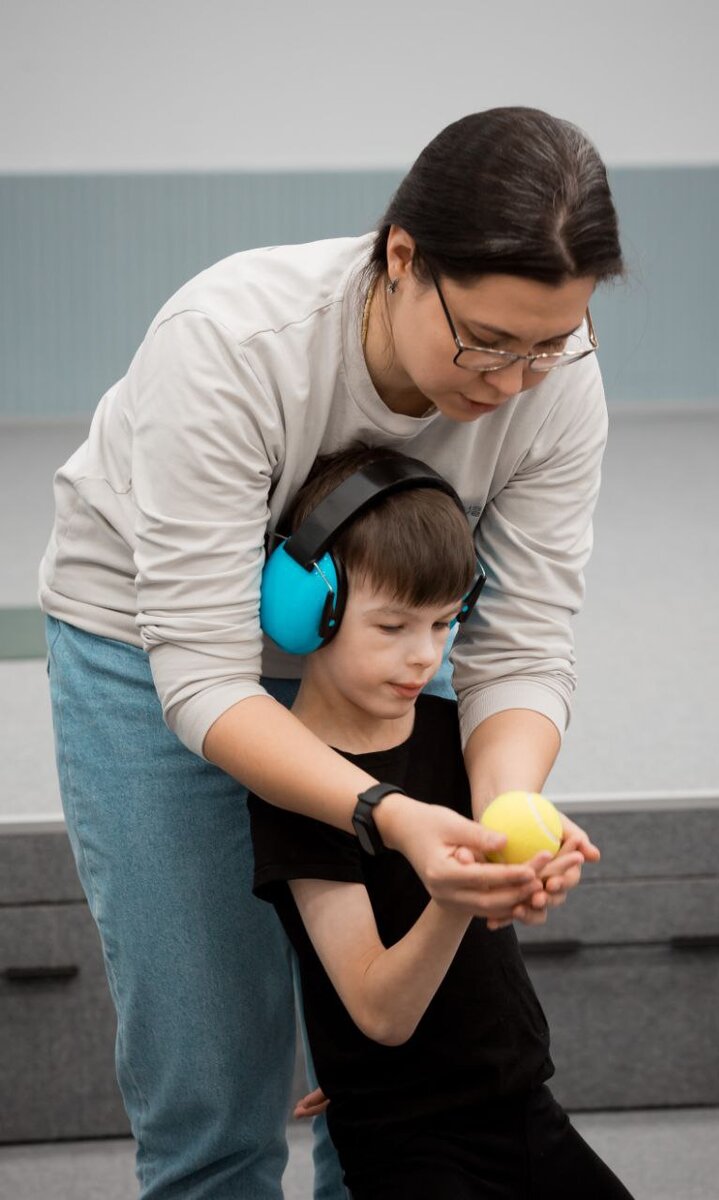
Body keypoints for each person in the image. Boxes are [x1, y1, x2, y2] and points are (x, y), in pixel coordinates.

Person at [39, 105, 623, 1199]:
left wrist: (503, 822)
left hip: (379, 640)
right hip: (156, 651)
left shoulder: (557, 379)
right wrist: (389, 815)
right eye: (488, 340)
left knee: (388, 1097)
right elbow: (208, 678)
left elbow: (525, 643)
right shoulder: (228, 344)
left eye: (547, 347)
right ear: (401, 257)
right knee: (213, 1091)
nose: (509, 383)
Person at [249, 444, 635, 1199]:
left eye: (442, 623)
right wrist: (454, 902)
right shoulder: (294, 785)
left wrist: (527, 866)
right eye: (392, 626)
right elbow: (380, 1013)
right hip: (410, 1143)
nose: (423, 656)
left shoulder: (450, 730)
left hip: (522, 1100)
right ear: (310, 608)